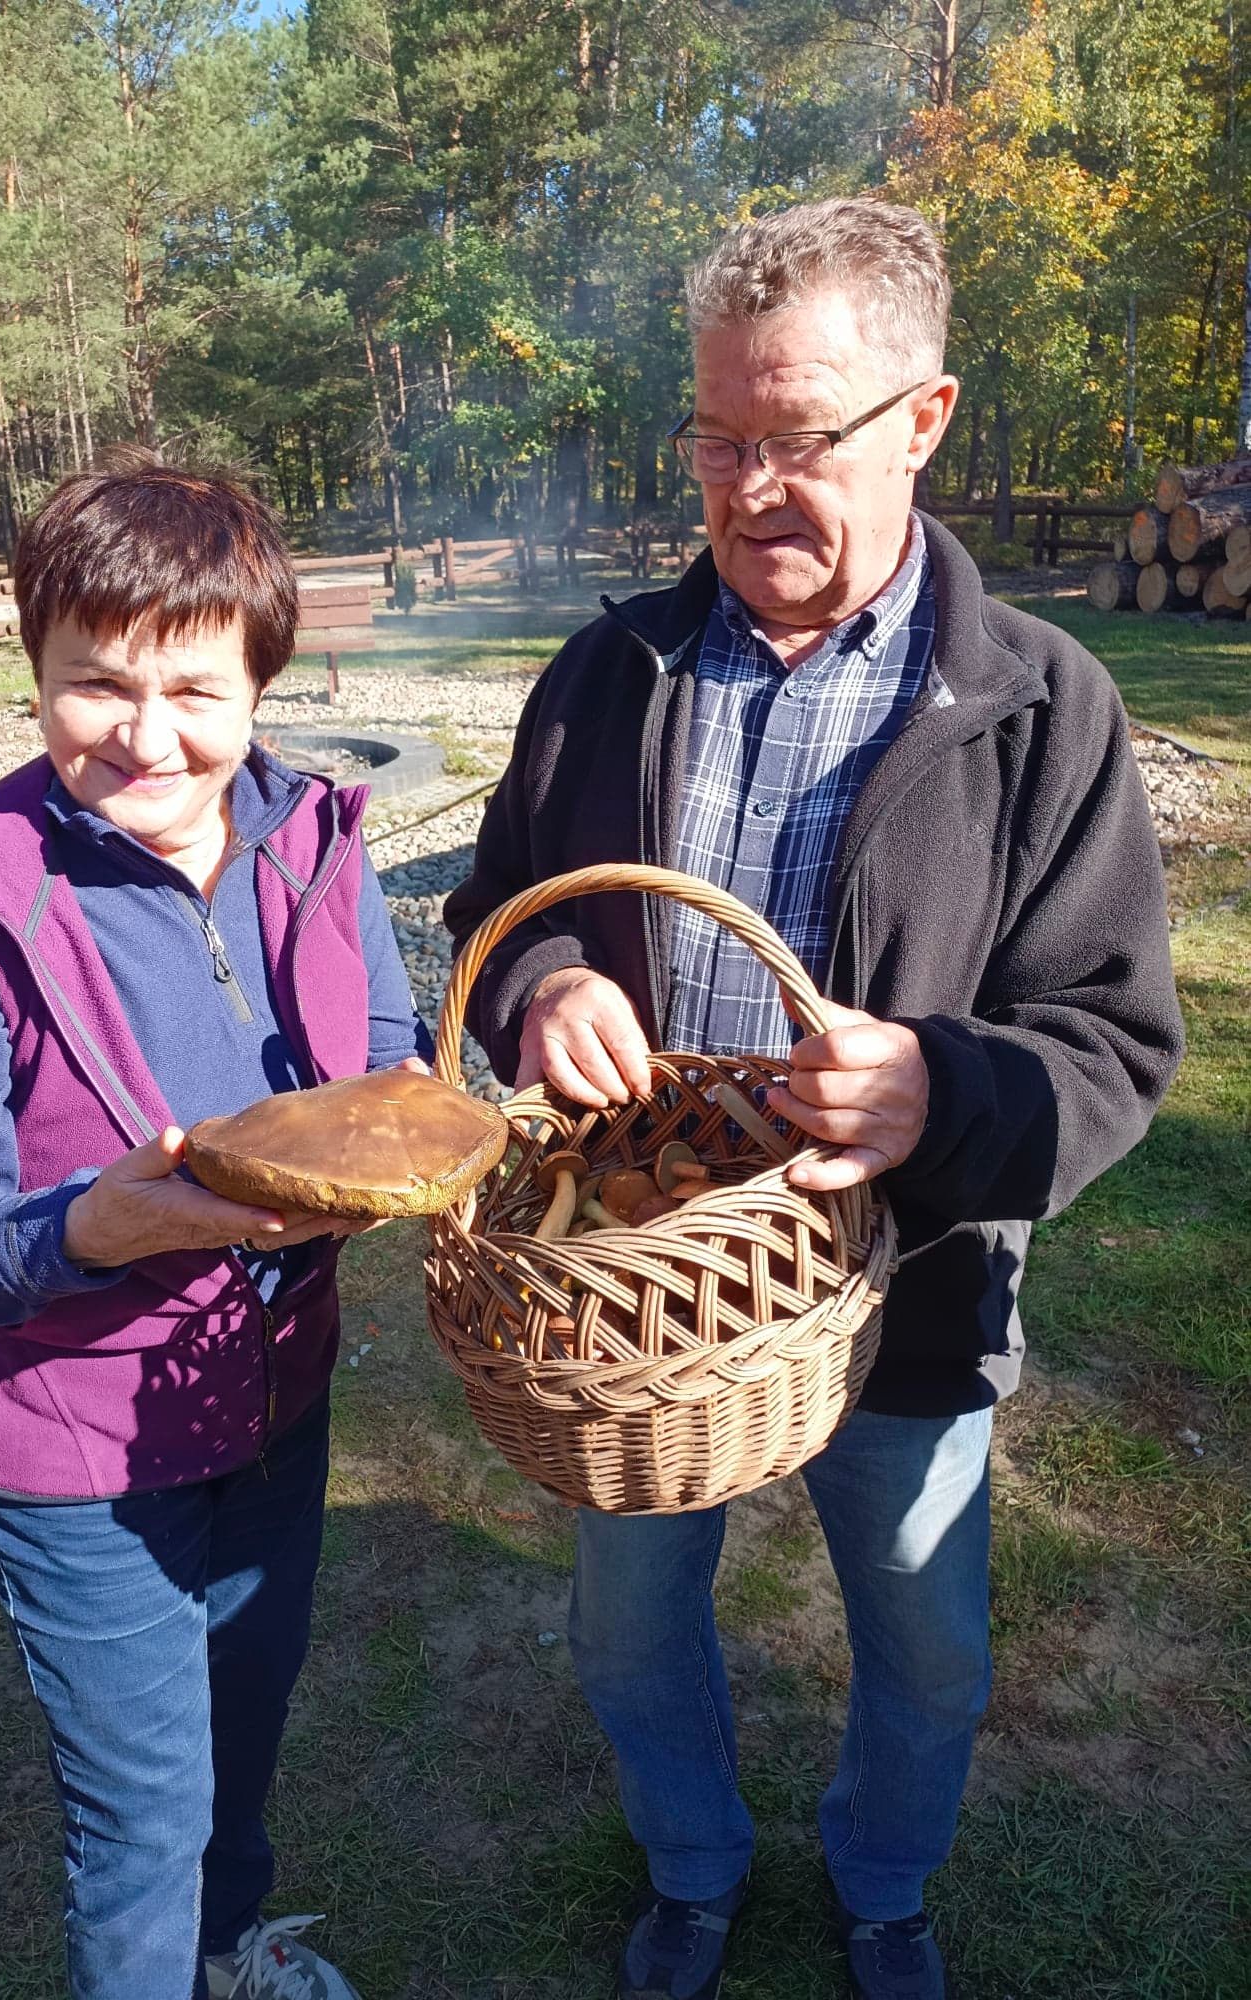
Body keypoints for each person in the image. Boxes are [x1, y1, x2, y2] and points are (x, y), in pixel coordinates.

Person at [444, 198, 1183, 2000]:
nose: (751, 487)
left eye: (798, 439)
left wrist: (947, 1092)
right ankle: (694, 1867)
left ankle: (884, 1884)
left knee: (928, 1652)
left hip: (909, 1303)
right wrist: (547, 983)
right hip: (641, 1311)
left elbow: (1114, 1039)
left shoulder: (1035, 708)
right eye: (718, 440)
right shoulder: (611, 671)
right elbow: (494, 909)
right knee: (628, 1634)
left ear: (919, 420)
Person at [0, 454, 430, 2000]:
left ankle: (231, 1957)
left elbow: (379, 1044)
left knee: (245, 1724)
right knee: (143, 1822)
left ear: (260, 682)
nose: (146, 738)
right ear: (31, 666)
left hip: (275, 1396)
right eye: (93, 686)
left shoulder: (313, 835)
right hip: (72, 1445)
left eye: (194, 689)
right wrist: (92, 1228)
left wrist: (405, 1135)